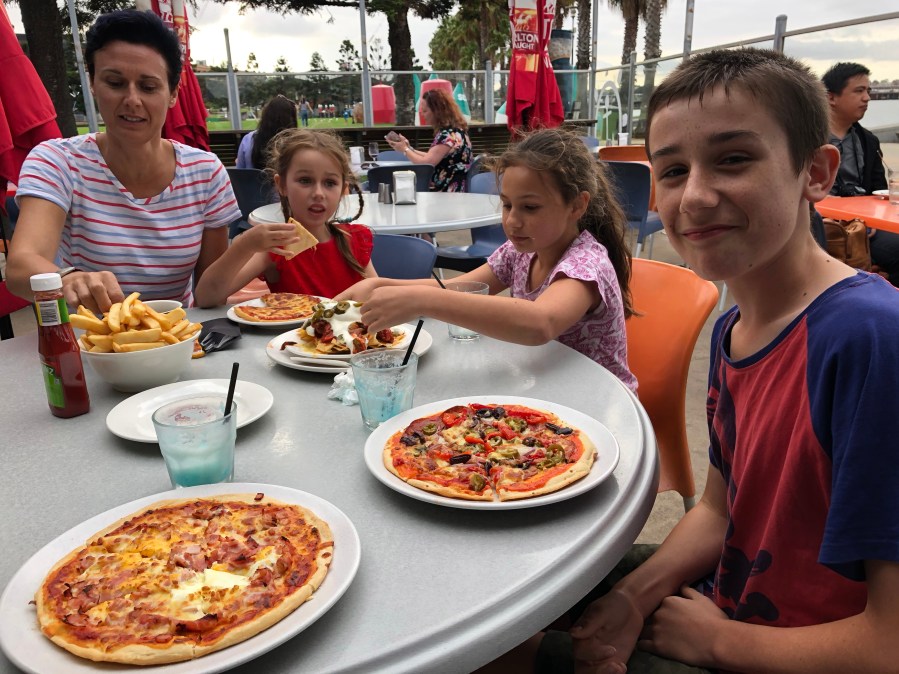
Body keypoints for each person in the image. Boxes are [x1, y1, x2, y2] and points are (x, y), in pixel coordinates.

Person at [483, 48, 899, 674]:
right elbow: (719, 510)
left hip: (788, 645)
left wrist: (717, 644)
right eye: (674, 170)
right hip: (726, 587)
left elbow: (888, 642)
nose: (696, 197)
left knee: (498, 651)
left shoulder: (871, 339)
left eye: (733, 159)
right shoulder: (735, 328)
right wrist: (633, 597)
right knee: (505, 596)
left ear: (815, 172)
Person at [337, 128, 637, 391]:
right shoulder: (521, 250)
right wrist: (380, 285)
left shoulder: (586, 264)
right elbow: (461, 288)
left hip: (601, 403)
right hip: (545, 386)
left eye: (530, 207)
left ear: (577, 205)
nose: (513, 221)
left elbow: (540, 323)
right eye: (507, 205)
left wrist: (420, 301)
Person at [6, 9, 240, 312]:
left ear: (173, 93)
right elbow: (21, 267)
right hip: (88, 337)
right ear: (93, 83)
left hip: (176, 335)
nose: (132, 100)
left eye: (148, 87)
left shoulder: (206, 173)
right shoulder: (57, 161)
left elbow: (212, 294)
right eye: (115, 83)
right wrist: (68, 278)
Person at [194, 128, 376, 306]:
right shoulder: (276, 248)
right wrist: (244, 245)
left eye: (330, 183)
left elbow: (377, 296)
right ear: (281, 185)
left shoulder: (355, 239)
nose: (318, 193)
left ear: (343, 189)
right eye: (305, 180)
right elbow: (206, 297)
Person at [822, 61, 898, 286]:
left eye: (868, 91)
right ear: (831, 97)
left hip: (866, 225)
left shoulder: (868, 141)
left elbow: (878, 192)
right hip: (820, 222)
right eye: (859, 91)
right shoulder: (805, 139)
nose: (867, 98)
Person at [385, 88, 473, 192]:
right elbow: (432, 157)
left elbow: (426, 163)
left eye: (425, 111)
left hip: (446, 192)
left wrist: (405, 150)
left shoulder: (447, 136)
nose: (422, 114)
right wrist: (409, 148)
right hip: (456, 189)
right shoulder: (457, 132)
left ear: (437, 111)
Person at [236, 95, 297, 170]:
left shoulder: (248, 140)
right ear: (291, 119)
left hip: (251, 177)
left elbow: (240, 170)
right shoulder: (296, 143)